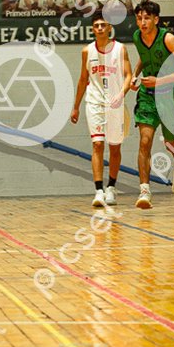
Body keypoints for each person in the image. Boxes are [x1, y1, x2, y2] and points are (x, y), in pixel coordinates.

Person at [132, 0, 174, 209]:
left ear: (156, 19)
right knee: (145, 141)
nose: (142, 22)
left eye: (147, 18)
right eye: (139, 18)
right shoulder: (137, 37)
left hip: (168, 95)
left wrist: (159, 81)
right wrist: (135, 75)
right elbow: (143, 58)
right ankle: (144, 191)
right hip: (147, 96)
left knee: (170, 143)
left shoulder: (169, 39)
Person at [70, 11, 133, 208]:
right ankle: (98, 190)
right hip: (94, 102)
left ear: (109, 28)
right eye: (96, 25)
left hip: (115, 103)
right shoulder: (87, 51)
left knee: (114, 147)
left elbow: (129, 75)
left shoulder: (120, 49)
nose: (99, 28)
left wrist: (121, 94)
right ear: (92, 29)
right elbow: (83, 79)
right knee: (97, 145)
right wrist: (75, 106)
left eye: (103, 25)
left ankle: (111, 187)